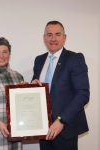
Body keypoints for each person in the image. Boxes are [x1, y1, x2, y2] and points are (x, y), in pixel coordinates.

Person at [31, 21, 90, 150]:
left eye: (57, 34)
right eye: (49, 35)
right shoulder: (39, 60)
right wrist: (30, 86)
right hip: (44, 130)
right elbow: (37, 91)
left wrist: (61, 120)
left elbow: (83, 94)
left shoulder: (75, 58)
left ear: (64, 37)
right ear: (44, 38)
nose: (53, 39)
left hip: (65, 130)